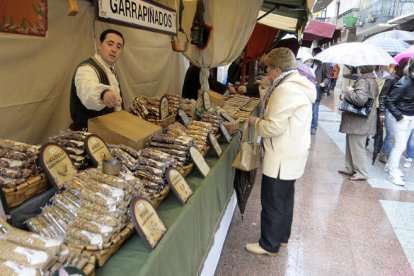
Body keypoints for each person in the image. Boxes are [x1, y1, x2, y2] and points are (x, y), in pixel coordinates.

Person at [245, 47, 316, 256]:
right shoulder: (296, 84)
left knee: (272, 200)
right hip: (294, 151)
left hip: (281, 154)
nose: (266, 73)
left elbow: (273, 126)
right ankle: (282, 238)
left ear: (277, 69)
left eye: (268, 69)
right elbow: (276, 108)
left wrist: (254, 121)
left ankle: (269, 244)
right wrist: (266, 89)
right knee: (285, 197)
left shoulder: (285, 89)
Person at [70, 29, 124, 130]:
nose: (114, 49)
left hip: (108, 132)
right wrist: (103, 94)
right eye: (110, 44)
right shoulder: (86, 68)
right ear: (100, 45)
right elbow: (88, 88)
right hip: (88, 134)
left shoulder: (111, 70)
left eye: (118, 46)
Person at [338, 65, 378, 181]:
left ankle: (361, 172)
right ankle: (350, 167)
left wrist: (349, 92)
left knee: (357, 146)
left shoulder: (363, 81)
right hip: (361, 120)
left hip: (359, 120)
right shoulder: (372, 80)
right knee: (352, 144)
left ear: (362, 68)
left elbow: (360, 100)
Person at [385, 61, 414, 186]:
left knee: (401, 144)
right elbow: (389, 100)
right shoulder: (404, 82)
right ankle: (392, 173)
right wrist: (399, 116)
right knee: (400, 145)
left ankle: (389, 166)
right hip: (401, 117)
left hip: (410, 117)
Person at [311, 47, 330, 135]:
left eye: (315, 54)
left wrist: (324, 83)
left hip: (317, 90)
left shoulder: (324, 64)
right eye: (313, 53)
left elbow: (327, 77)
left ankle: (314, 127)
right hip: (308, 90)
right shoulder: (310, 63)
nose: (314, 55)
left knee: (315, 110)